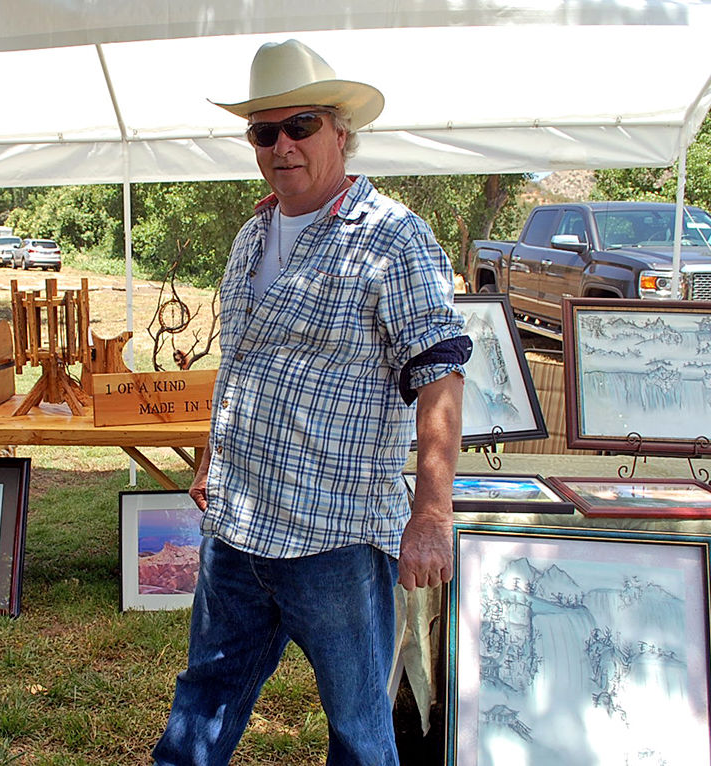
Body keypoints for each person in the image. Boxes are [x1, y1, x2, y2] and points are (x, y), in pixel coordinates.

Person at [152, 40, 471, 765]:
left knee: (358, 728)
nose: (282, 145)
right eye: (264, 132)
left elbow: (441, 373)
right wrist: (212, 458)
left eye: (300, 126)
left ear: (340, 132)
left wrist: (431, 513)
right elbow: (242, 365)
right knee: (204, 700)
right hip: (240, 526)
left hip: (335, 537)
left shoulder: (392, 237)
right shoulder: (252, 234)